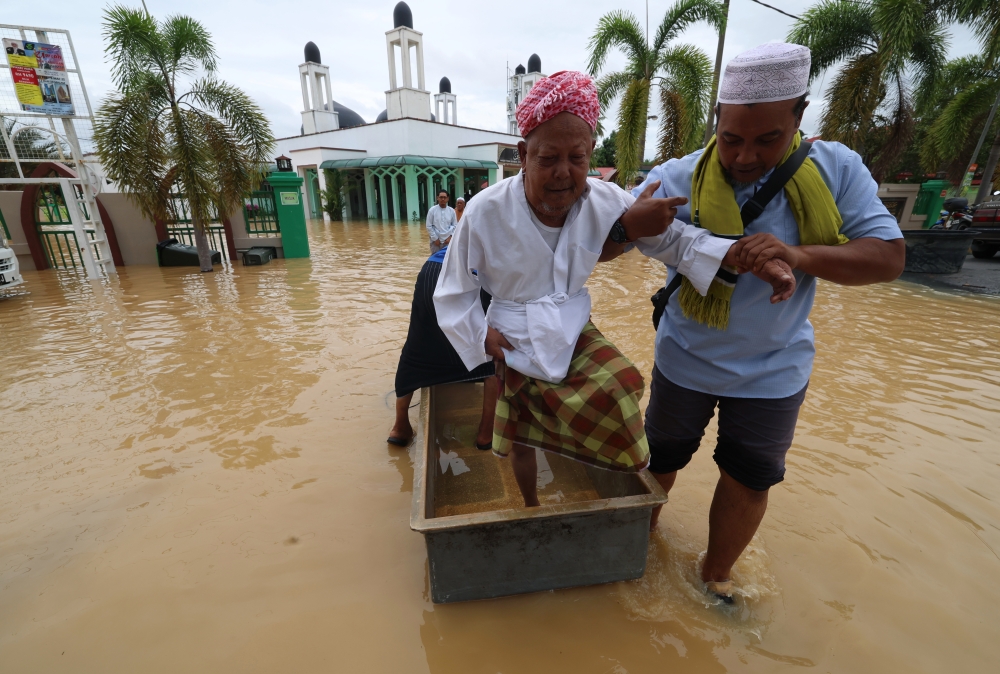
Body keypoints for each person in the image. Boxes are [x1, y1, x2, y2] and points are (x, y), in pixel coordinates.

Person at [434, 70, 795, 508]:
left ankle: (598, 472)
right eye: (548, 159)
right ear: (524, 155)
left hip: (570, 323)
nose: (563, 174)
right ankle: (529, 503)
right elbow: (454, 290)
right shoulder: (483, 211)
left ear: (590, 156)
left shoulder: (605, 200)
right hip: (510, 333)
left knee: (622, 382)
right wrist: (480, 336)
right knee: (521, 440)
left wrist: (748, 257)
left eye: (578, 158)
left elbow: (676, 241)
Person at [627, 43, 905, 603]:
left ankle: (716, 578)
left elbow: (889, 258)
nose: (744, 157)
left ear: (799, 119)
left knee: (750, 477)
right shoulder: (677, 176)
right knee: (658, 460)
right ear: (716, 125)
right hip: (685, 356)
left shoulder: (837, 170)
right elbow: (619, 234)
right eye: (731, 139)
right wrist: (654, 229)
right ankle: (634, 551)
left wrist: (799, 256)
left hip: (775, 369)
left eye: (766, 139)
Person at [388, 243, 498, 449]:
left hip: (432, 270)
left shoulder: (471, 221)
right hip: (474, 276)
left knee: (417, 342)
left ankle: (399, 427)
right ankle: (485, 434)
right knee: (490, 354)